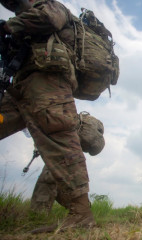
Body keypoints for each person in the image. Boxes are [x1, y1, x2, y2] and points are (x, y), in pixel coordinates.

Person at [0, 0, 94, 233]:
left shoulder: (49, 5)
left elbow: (49, 19)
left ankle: (81, 214)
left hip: (48, 83)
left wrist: (7, 27)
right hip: (20, 87)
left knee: (61, 140)